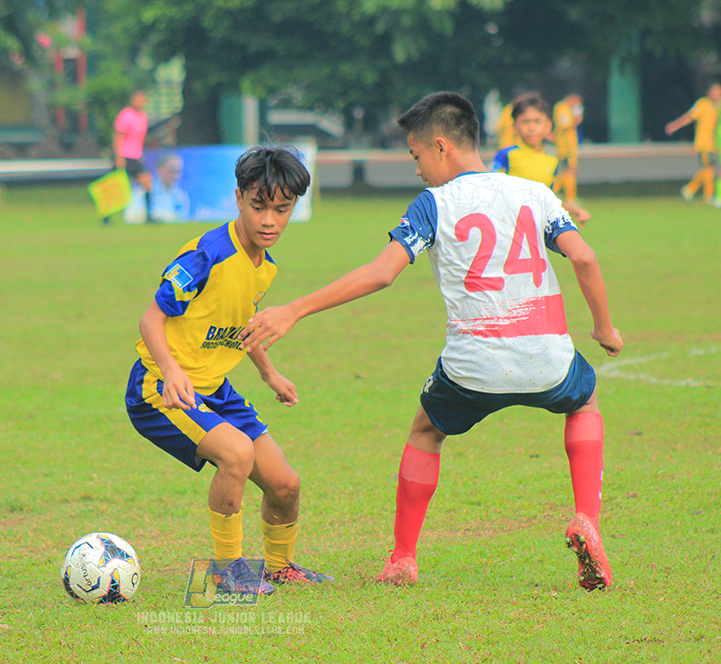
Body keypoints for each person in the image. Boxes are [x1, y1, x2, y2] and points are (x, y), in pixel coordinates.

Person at [240, 92, 623, 592]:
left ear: (440, 146)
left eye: (417, 156)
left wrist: (294, 308)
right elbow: (586, 258)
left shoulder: (434, 204)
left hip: (473, 367)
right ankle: (586, 518)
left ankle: (403, 558)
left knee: (425, 433)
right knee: (586, 399)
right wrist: (603, 328)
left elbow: (381, 274)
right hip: (547, 357)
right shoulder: (535, 193)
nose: (417, 170)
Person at [125, 146, 333, 595]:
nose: (269, 221)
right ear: (239, 198)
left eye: (282, 209)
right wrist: (171, 370)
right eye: (259, 207)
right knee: (237, 453)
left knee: (285, 484)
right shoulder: (208, 254)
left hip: (215, 388)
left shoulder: (265, 266)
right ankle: (226, 572)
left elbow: (238, 326)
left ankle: (279, 566)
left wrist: (269, 373)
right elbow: (150, 319)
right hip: (159, 387)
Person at [493, 92, 590, 224]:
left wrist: (575, 211)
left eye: (537, 122)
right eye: (525, 122)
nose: (531, 128)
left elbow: (549, 199)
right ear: (515, 127)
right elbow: (491, 190)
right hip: (509, 226)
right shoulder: (506, 155)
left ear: (548, 126)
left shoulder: (551, 160)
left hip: (537, 229)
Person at [665, 82, 721, 203]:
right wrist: (675, 125)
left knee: (709, 169)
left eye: (719, 92)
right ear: (709, 93)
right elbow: (689, 117)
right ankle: (707, 195)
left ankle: (690, 189)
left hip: (716, 143)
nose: (717, 95)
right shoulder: (703, 104)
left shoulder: (720, 107)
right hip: (704, 143)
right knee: (709, 169)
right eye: (715, 92)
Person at [112, 89, 154, 223]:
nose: (140, 102)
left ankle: (149, 216)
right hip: (124, 156)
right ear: (132, 100)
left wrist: (140, 154)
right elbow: (118, 135)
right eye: (138, 99)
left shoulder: (143, 116)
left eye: (142, 100)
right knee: (118, 188)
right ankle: (106, 217)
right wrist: (118, 156)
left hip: (136, 156)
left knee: (147, 182)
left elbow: (138, 138)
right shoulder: (126, 115)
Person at [124, 153, 190, 223]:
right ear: (160, 169)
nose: (176, 176)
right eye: (172, 171)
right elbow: (131, 215)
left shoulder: (180, 195)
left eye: (179, 172)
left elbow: (183, 217)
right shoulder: (145, 189)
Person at [552, 92, 584, 205]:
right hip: (566, 147)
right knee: (570, 171)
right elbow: (565, 125)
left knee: (568, 171)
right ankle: (567, 197)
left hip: (570, 146)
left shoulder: (565, 108)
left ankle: (556, 192)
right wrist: (576, 118)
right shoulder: (562, 108)